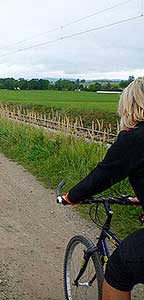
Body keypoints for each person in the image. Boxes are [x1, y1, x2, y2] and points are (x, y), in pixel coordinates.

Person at [60, 77, 144, 300]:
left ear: (131, 106)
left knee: (118, 270)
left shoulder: (134, 139)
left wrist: (71, 197)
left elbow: (103, 175)